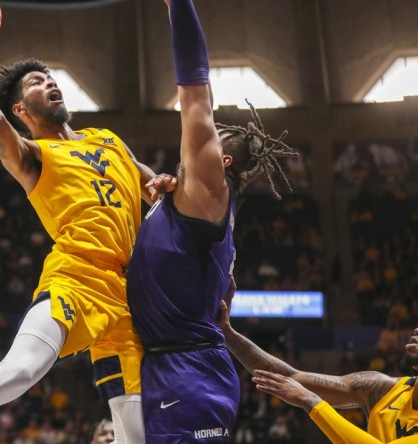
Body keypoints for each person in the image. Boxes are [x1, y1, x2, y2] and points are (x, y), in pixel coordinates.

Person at [0, 6, 174, 444]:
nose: (49, 81)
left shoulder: (106, 140)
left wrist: (163, 185)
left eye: (50, 76)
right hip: (74, 280)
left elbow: (152, 185)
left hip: (129, 297)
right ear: (21, 109)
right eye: (36, 82)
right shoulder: (33, 156)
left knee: (139, 433)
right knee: (19, 372)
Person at [126, 0, 299, 441]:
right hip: (174, 366)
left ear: (220, 161)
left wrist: (177, 5)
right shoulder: (189, 202)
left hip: (191, 371)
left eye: (210, 138)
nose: (195, 140)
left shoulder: (210, 185)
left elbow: (195, 92)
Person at [219, 293, 418, 443]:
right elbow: (292, 377)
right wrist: (227, 332)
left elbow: (304, 393)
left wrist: (313, 403)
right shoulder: (380, 388)